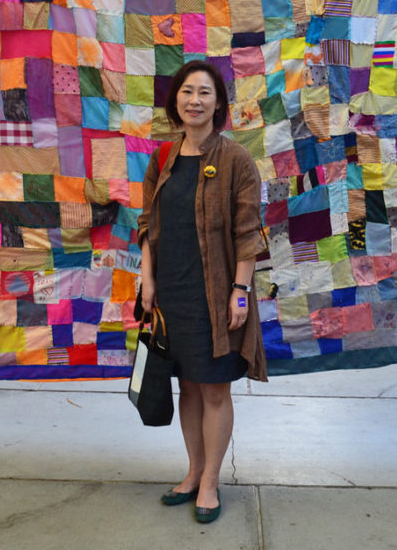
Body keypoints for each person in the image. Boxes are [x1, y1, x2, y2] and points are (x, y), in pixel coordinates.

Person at [137, 59, 268, 524]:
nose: (195, 100)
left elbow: (248, 232)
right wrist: (147, 280)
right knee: (188, 389)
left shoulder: (235, 160)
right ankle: (192, 472)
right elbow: (149, 224)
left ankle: (211, 481)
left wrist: (240, 290)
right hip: (171, 292)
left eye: (205, 93)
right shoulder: (162, 158)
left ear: (218, 103)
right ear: (176, 101)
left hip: (216, 294)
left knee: (214, 389)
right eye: (187, 92)